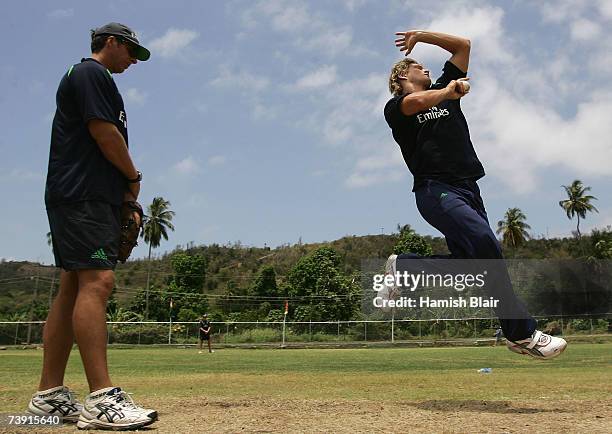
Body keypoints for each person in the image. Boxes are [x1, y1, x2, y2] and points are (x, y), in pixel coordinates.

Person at [383, 30, 566, 359]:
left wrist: (421, 36)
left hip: (469, 190)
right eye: (418, 66)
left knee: (477, 264)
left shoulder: (443, 85)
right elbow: (414, 104)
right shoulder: (396, 108)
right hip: (435, 190)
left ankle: (407, 267)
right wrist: (448, 92)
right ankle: (521, 332)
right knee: (487, 244)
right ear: (402, 75)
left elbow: (463, 45)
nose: (425, 69)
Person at [28, 23, 158, 430]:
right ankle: (101, 398)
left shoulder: (95, 80)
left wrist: (121, 196)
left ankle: (49, 396)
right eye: (131, 52)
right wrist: (133, 178)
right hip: (81, 196)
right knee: (98, 281)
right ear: (112, 43)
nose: (133, 62)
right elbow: (105, 134)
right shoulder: (90, 74)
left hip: (86, 196)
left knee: (74, 286)